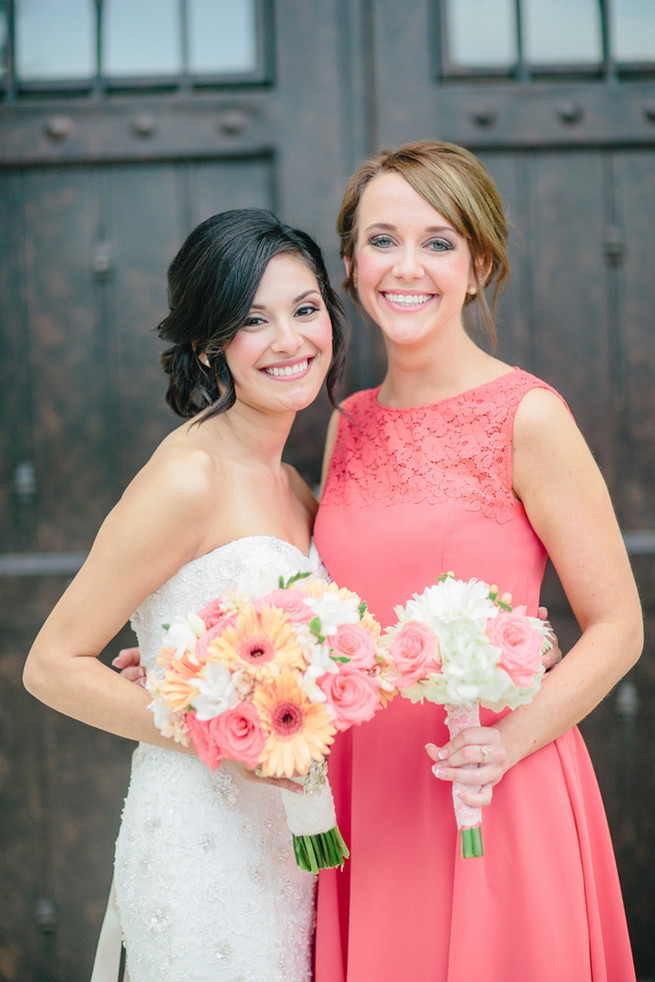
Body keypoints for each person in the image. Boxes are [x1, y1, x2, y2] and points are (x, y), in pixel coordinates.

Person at [312, 141, 642, 981]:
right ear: (349, 262)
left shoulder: (527, 417)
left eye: (438, 241)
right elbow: (316, 610)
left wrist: (508, 744)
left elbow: (616, 627)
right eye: (382, 240)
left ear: (477, 263)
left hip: (492, 781)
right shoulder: (346, 422)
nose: (406, 267)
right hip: (367, 792)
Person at [23, 208, 349, 982]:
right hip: (202, 841)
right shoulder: (186, 478)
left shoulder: (295, 485)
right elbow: (52, 665)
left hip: (286, 845)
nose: (289, 340)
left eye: (305, 310)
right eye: (251, 321)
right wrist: (226, 738)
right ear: (209, 343)